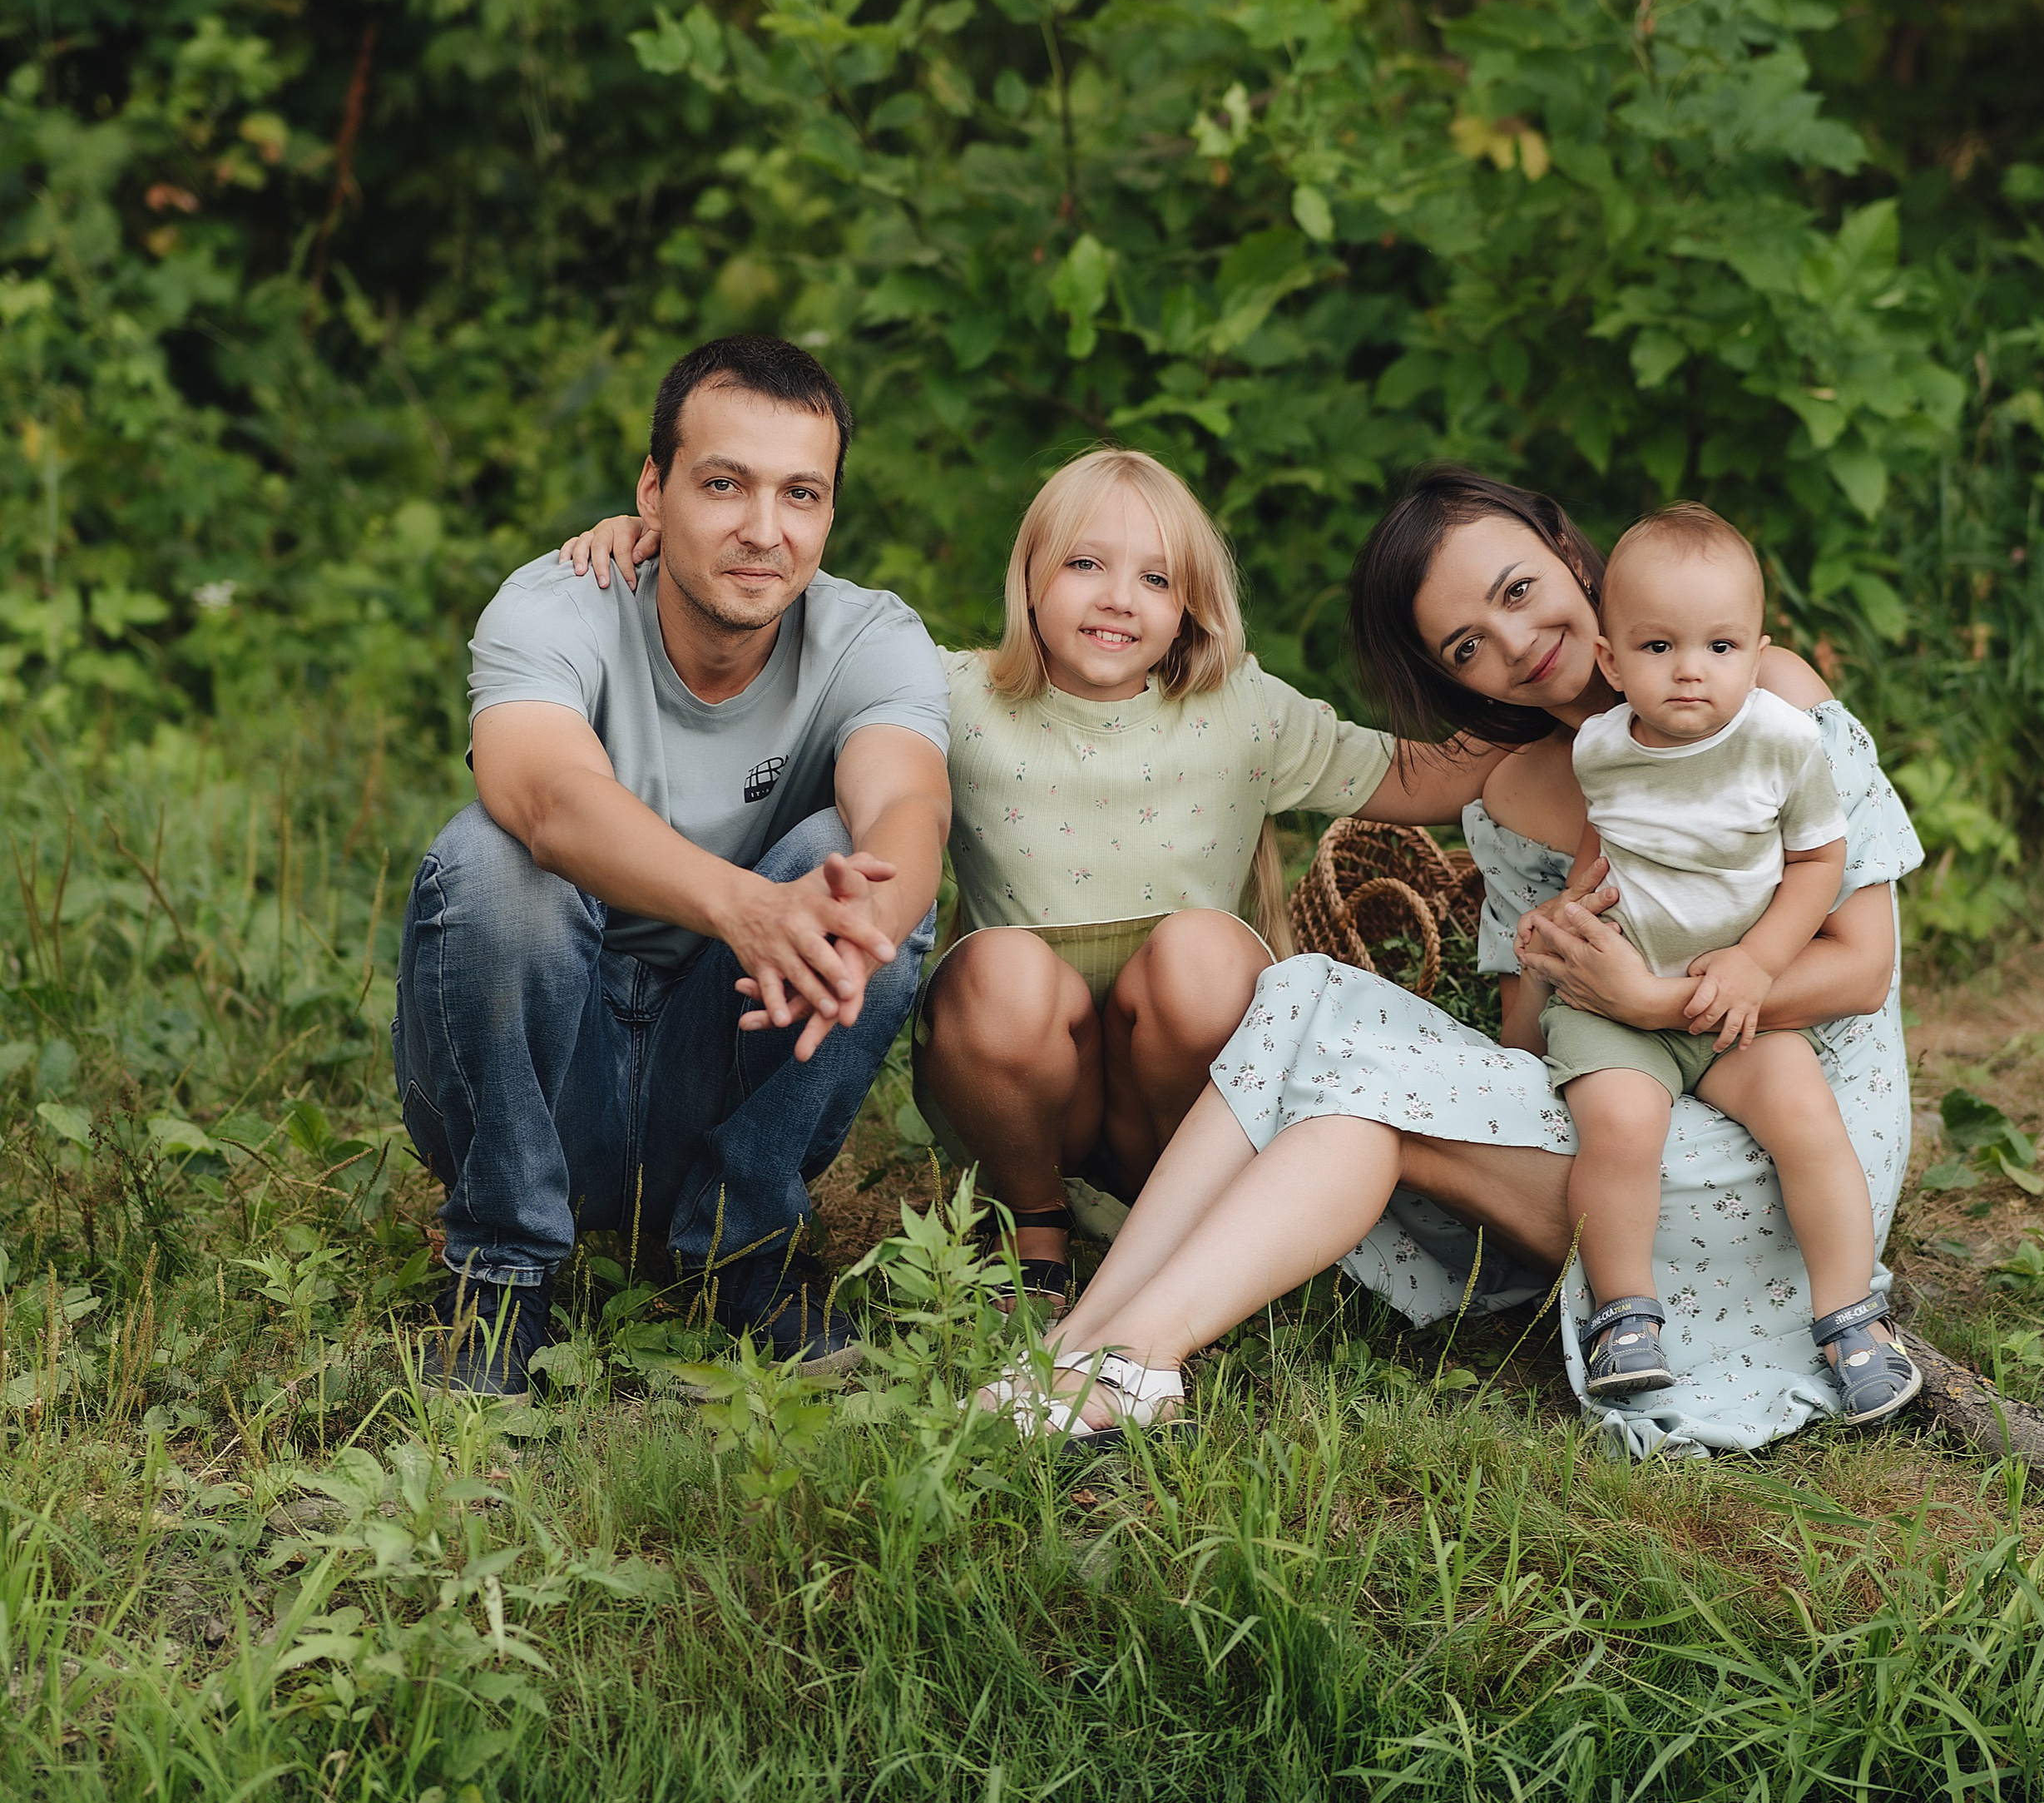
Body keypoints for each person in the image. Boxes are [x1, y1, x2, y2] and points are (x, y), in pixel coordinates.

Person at [978, 465, 1921, 1458]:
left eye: (1517, 590)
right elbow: (1523, 1056)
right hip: (1614, 1127)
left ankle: (1136, 1358)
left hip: (1791, 1150)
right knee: (1305, 990)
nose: (1514, 645)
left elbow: (1860, 972)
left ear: (1566, 551)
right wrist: (1554, 956)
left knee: (1373, 1089)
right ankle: (1083, 1346)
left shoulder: (1766, 704)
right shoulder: (1516, 793)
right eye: (1467, 645)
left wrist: (1648, 998)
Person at [565, 445, 1473, 1310]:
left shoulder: (1239, 705)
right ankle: (1036, 1225)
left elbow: (1418, 774)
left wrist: (1573, 726)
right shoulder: (954, 695)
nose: (1119, 599)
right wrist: (662, 555)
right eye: (1085, 564)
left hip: (1189, 1081)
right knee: (998, 966)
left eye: (1156, 578)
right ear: (1030, 576)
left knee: (1202, 950)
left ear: (1191, 604)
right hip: (1030, 1081)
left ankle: (1180, 1211)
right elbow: (796, 643)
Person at [392, 333, 951, 1394]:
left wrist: (859, 914)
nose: (763, 530)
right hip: (556, 1064)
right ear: (653, 489)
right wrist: (747, 907)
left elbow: (910, 806)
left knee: (857, 869)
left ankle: (742, 1255)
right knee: (493, 859)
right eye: (723, 484)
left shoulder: (871, 636)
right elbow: (545, 797)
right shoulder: (554, 604)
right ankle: (503, 1274)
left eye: (801, 494)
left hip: (726, 1050)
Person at [1535, 503, 1919, 1423]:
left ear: (1757, 652)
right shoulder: (1600, 748)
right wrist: (1560, 920)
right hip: (1617, 1000)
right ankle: (1625, 1315)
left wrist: (1755, 962)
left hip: (1738, 1001)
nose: (1690, 670)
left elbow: (1816, 865)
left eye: (1719, 645)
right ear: (1611, 661)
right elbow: (1602, 857)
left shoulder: (1780, 742)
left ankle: (1848, 1316)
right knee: (1620, 1125)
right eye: (1658, 646)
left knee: (1804, 1117)